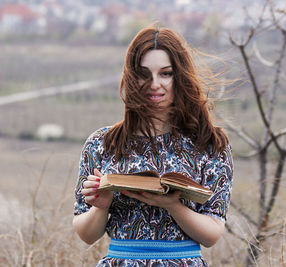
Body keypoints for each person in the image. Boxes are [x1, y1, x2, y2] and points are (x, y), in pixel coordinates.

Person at [73, 26, 233, 266]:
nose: (154, 84)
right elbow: (86, 235)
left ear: (180, 76)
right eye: (144, 74)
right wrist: (101, 207)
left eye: (166, 73)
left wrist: (173, 205)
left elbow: (212, 234)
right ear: (130, 76)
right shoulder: (102, 144)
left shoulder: (209, 143)